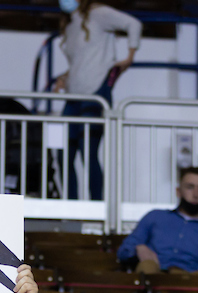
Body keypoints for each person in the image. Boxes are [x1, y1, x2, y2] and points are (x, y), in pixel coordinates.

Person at [54, 0, 140, 201]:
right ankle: (71, 206)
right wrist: (65, 77)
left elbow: (133, 24)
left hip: (96, 91)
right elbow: (82, 62)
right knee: (63, 154)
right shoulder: (70, 23)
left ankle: (96, 204)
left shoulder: (99, 14)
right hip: (74, 94)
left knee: (88, 152)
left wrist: (129, 57)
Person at [115, 167, 198, 276]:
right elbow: (123, 251)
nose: (196, 194)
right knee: (147, 266)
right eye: (190, 187)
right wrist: (138, 247)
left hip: (194, 280)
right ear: (178, 191)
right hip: (156, 274)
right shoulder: (155, 217)